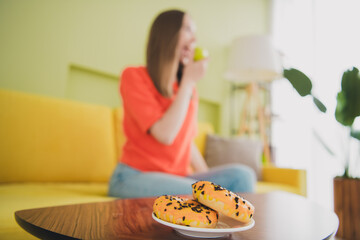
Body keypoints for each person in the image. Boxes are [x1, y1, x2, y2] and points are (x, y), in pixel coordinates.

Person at [108, 9, 256, 198]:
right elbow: (165, 135)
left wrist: (208, 179)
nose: (194, 39)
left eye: (194, 33)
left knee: (243, 176)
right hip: (132, 177)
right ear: (167, 34)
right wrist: (188, 82)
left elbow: (186, 142)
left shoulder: (188, 90)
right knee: (198, 194)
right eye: (187, 29)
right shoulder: (134, 77)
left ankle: (233, 227)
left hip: (178, 178)